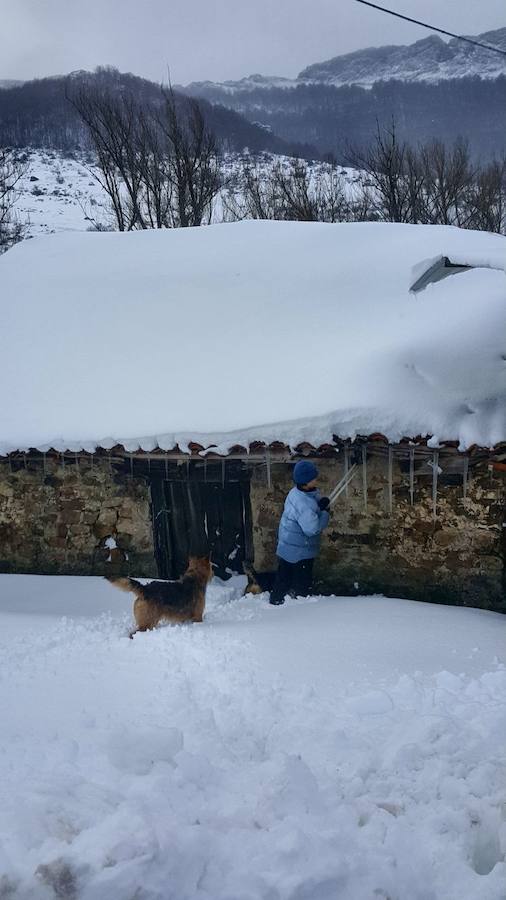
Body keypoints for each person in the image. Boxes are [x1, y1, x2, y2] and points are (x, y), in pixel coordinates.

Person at [269, 460, 330, 606]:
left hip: (288, 545)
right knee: (302, 583)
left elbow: (311, 501)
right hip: (300, 550)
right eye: (313, 478)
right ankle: (301, 609)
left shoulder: (296, 492)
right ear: (306, 482)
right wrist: (325, 512)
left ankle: (276, 600)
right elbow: (312, 529)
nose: (316, 479)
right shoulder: (303, 504)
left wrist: (320, 502)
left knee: (283, 576)